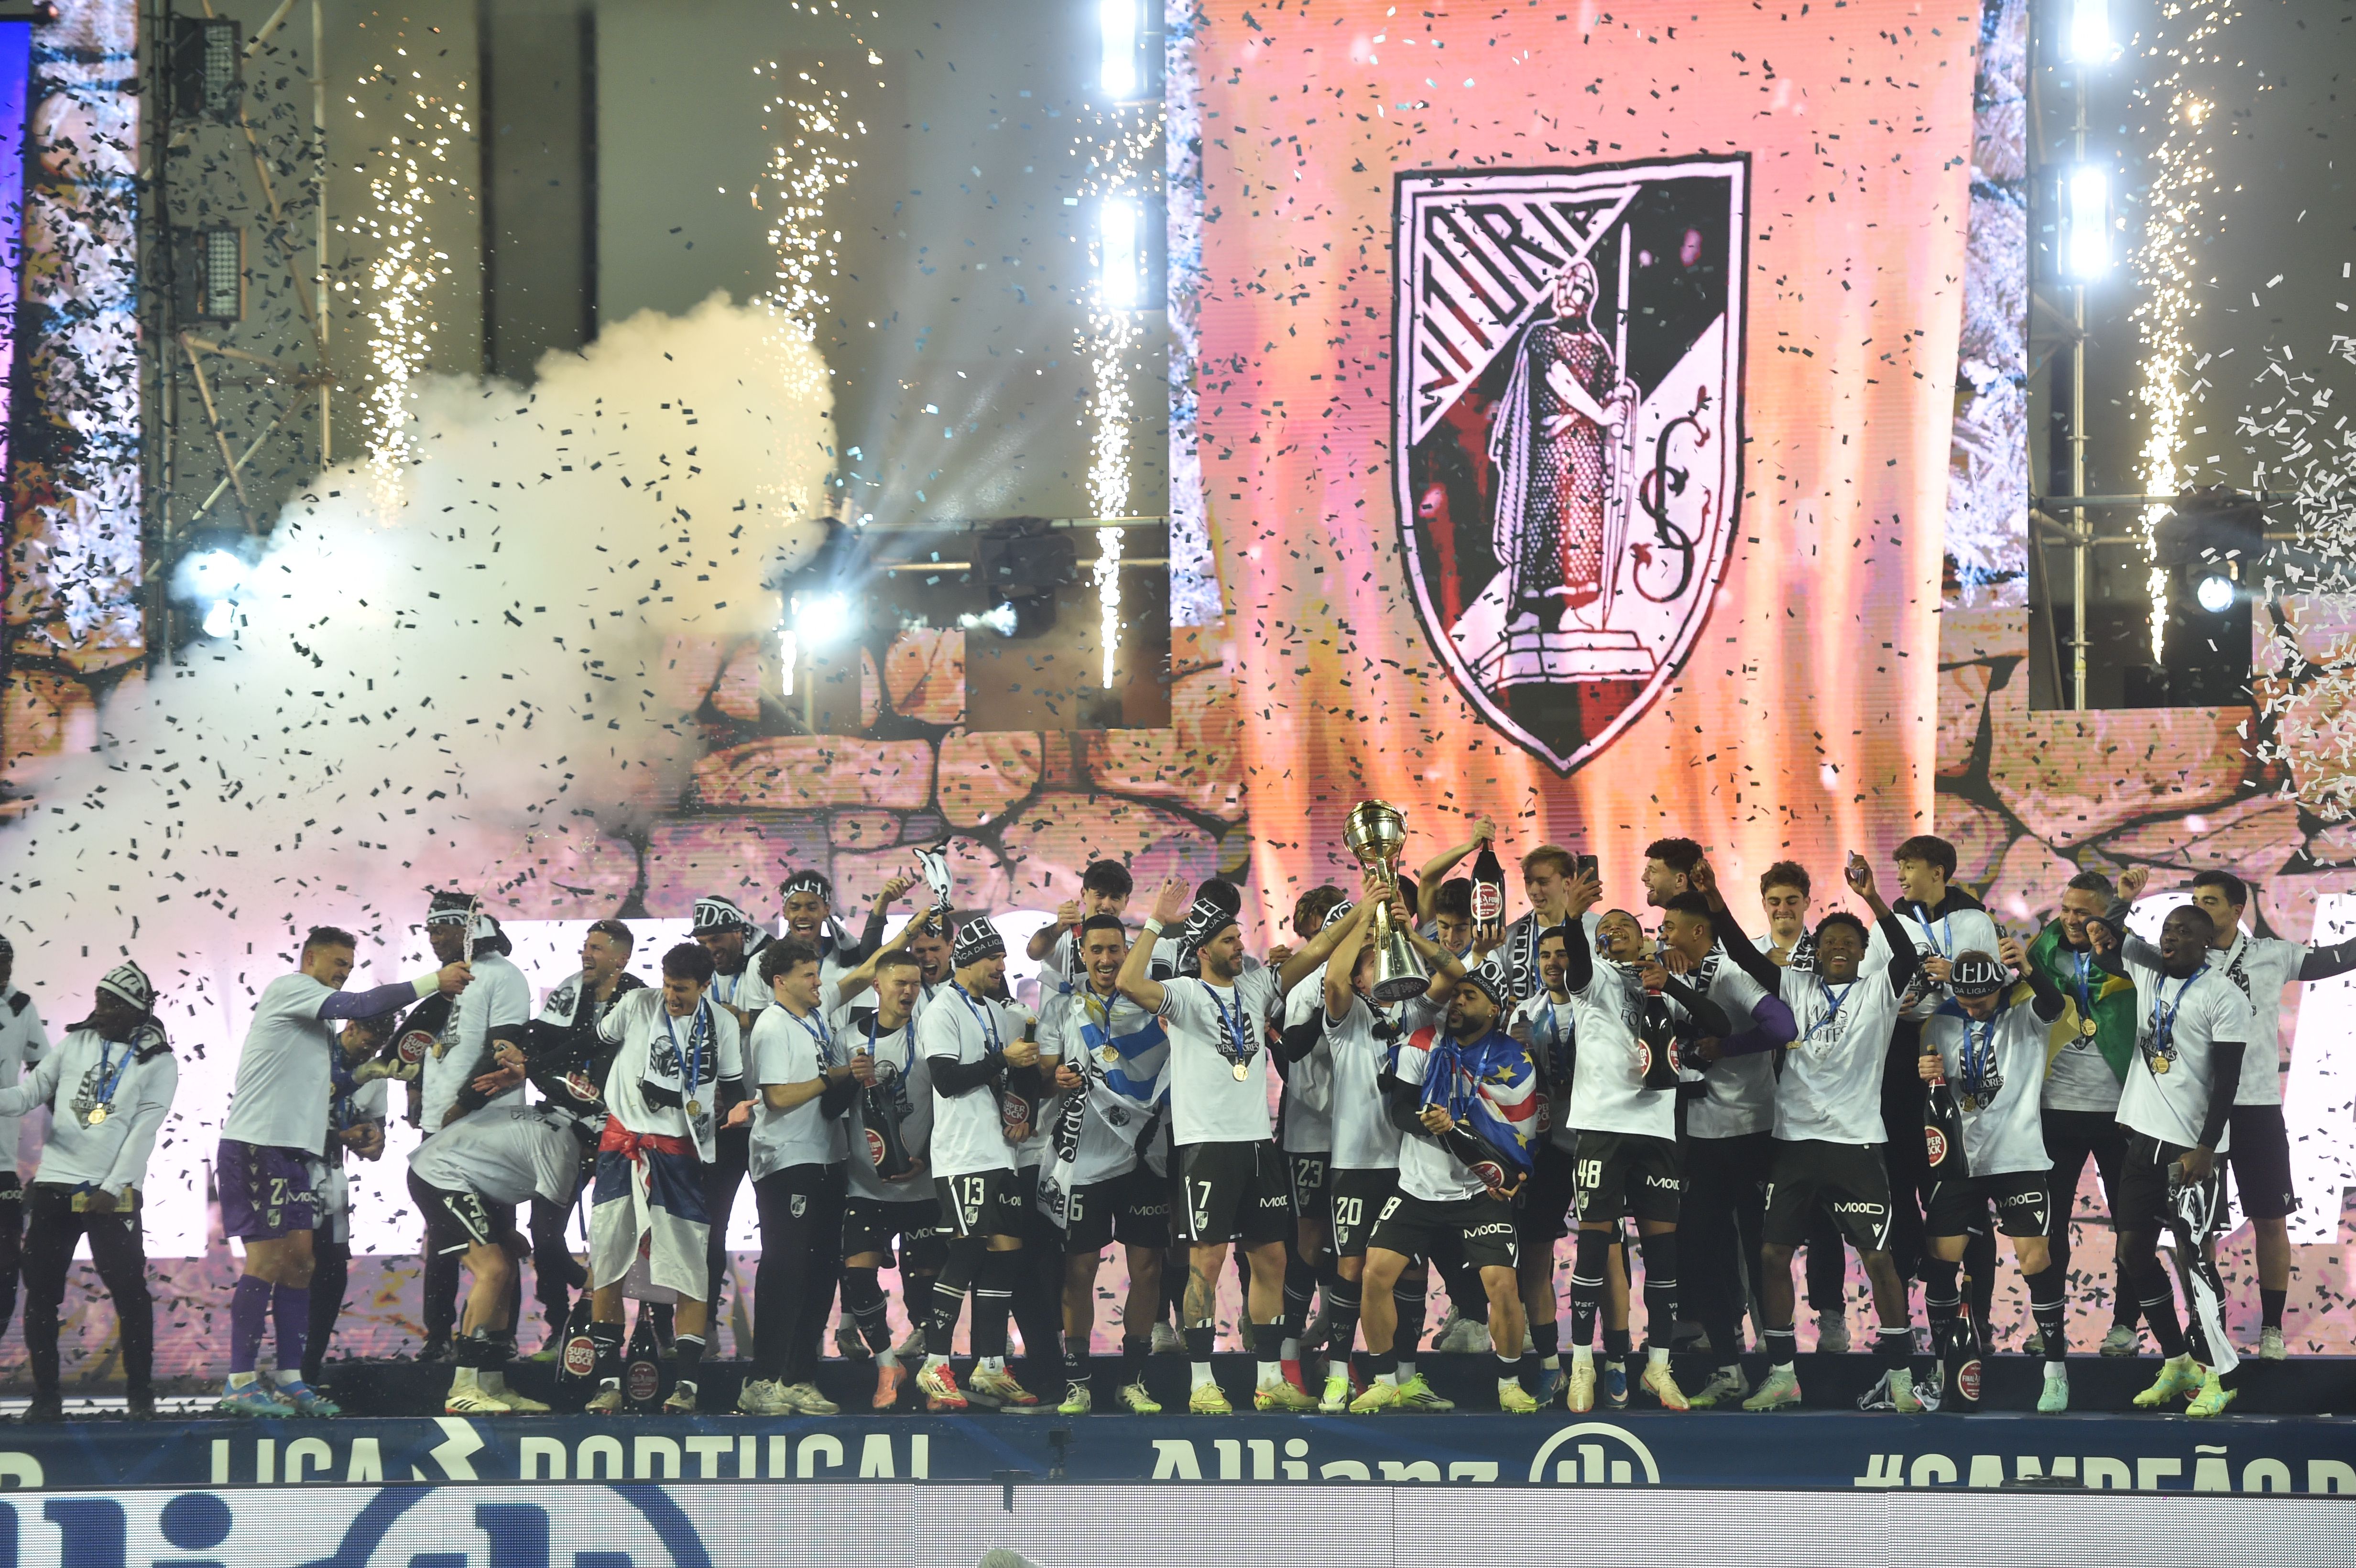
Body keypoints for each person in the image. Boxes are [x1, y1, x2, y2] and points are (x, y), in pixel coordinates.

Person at [1116, 875, 1359, 1413]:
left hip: (1256, 1144)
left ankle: (1269, 1379)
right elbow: (1130, 981)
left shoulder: (1254, 987)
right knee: (1205, 1263)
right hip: (1207, 1147)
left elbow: (1318, 949)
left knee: (1272, 1257)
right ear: (1203, 951)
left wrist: (1369, 907)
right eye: (1228, 940)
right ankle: (1202, 1381)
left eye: (1239, 938)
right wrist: (1156, 920)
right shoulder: (1183, 995)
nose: (1239, 946)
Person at [217, 926, 472, 1416]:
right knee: (266, 1263)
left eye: (349, 968)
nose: (343, 974)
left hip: (297, 1153)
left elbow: (327, 1086)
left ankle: (290, 1378)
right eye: (337, 963)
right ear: (310, 958)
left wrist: (368, 1073)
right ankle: (240, 1382)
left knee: (301, 1265)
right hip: (257, 1145)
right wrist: (433, 982)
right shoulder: (290, 989)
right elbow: (359, 1005)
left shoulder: (313, 1028)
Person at [2113, 866, 2356, 1359]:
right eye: (2195, 899)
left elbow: (2339, 957)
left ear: (2236, 909)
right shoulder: (2174, 958)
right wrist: (2120, 904)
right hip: (2193, 1117)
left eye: (2209, 901)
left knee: (2270, 1217)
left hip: (2255, 1106)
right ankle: (2208, 1332)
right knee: (2197, 1231)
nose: (2197, 907)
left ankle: (2271, 1330)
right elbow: (2112, 946)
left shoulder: (2272, 954)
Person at [1745, 855, 1923, 1412]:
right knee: (1771, 1254)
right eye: (1829, 942)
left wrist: (1871, 897)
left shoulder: (1878, 991)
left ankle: (1900, 1377)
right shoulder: (1793, 985)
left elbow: (1908, 956)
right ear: (1815, 951)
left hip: (1856, 1145)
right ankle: (1782, 1374)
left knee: (1879, 1259)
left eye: (1849, 941)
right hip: (1793, 1144)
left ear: (1864, 951)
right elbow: (1743, 955)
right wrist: (1712, 903)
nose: (1839, 947)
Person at [1552, 871, 1732, 1414]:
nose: (1614, 930)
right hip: (1602, 1127)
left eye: (1624, 925)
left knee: (1663, 1256)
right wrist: (1572, 918)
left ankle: (1657, 1366)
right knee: (1592, 1248)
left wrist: (1669, 984)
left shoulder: (1661, 981)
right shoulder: (1592, 980)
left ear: (1642, 937)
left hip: (1655, 1130)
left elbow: (1719, 1024)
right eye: (1605, 927)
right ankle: (1582, 1364)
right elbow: (1577, 961)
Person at [2091, 905, 2256, 1417]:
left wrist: (2206, 1148)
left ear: (2206, 942)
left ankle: (2223, 1374)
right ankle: (2178, 1360)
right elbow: (2105, 939)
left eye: (2184, 932)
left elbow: (2227, 1081)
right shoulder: (2147, 969)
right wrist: (2120, 902)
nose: (2171, 938)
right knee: (2132, 1254)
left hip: (2190, 1150)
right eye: (2167, 930)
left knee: (2195, 1261)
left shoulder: (2223, 996)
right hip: (2142, 1141)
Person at [1356, 967, 1541, 1413]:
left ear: (1493, 1010)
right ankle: (1385, 1382)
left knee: (1503, 1286)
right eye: (1455, 994)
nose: (1457, 1002)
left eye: (1470, 996)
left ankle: (1510, 1383)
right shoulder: (1423, 1042)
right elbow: (1399, 1109)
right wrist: (1429, 1124)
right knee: (1374, 1275)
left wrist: (1510, 1177)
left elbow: (1522, 1134)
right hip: (1417, 1187)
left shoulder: (1513, 1059)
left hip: (1477, 1192)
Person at [0, 963, 175, 1421]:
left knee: (130, 1292)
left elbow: (144, 1132)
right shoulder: (76, 1043)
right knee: (41, 1295)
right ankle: (46, 1399)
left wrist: (113, 1187)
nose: (102, 1011)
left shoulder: (158, 1060)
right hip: (56, 1184)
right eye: (99, 1001)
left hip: (110, 1194)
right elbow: (29, 1094)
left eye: (113, 1005)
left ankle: (140, 1396)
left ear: (137, 1011)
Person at [582, 941, 746, 1416]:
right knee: (608, 1261)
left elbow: (732, 1087)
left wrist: (736, 1110)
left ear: (705, 985)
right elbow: (593, 1043)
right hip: (621, 1146)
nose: (672, 997)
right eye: (669, 986)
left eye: (683, 990)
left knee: (689, 1268)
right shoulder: (638, 1004)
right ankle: (607, 1384)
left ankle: (687, 1387)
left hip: (679, 1153)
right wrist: (536, 1063)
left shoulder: (722, 1024)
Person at [1664, 865, 1797, 1407]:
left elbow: (1783, 1028)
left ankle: (1780, 1367)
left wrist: (1728, 1047)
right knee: (1703, 1251)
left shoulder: (1730, 973)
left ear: (1699, 932)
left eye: (1671, 927)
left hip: (1751, 1128)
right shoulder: (1665, 975)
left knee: (1761, 1250)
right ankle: (1727, 1366)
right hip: (1698, 1134)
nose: (1663, 935)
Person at [1918, 944, 2072, 1411]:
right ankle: (1942, 1365)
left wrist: (2028, 968)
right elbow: (1938, 1095)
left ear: (1999, 989)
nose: (1972, 1009)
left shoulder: (2026, 1015)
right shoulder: (1941, 1021)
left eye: (1980, 1001)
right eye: (1964, 1001)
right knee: (1940, 1263)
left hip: (2018, 1157)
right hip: (1960, 1160)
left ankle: (2055, 1370)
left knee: (2035, 1261)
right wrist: (1928, 1073)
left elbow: (2055, 1004)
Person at [1321, 900, 1458, 1413]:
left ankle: (1405, 1376)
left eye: (1385, 957)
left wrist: (1410, 934)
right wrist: (1363, 920)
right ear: (1360, 979)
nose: (1382, 964)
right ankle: (1339, 1376)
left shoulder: (1414, 1011)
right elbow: (1331, 980)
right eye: (1371, 961)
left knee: (1411, 1272)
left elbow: (1453, 973)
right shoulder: (1345, 1016)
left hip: (1410, 1165)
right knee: (1352, 1266)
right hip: (1356, 1162)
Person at [913, 918, 1050, 1412]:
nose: (1002, 965)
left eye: (1003, 957)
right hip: (962, 1154)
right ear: (968, 960)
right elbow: (946, 1080)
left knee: (1006, 1253)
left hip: (1001, 1152)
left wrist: (1025, 1112)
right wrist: (1002, 1059)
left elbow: (1022, 1072)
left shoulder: (999, 1012)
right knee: (967, 1251)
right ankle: (934, 1364)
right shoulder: (940, 1011)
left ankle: (990, 1365)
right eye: (994, 957)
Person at [1038, 914, 1172, 1414]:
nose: (1106, 959)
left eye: (1115, 949)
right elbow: (1042, 1079)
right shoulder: (1061, 1007)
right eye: (1096, 950)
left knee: (1147, 1268)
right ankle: (1078, 1382)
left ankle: (1132, 1381)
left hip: (1144, 1154)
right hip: (1085, 1159)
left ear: (1127, 952)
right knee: (1080, 1269)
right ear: (1082, 954)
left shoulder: (1153, 1004)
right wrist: (1056, 1079)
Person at [411, 1095, 595, 1415]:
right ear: (593, 1148)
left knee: (506, 1270)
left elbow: (496, 1164)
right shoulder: (564, 1153)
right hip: (440, 1174)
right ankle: (463, 1387)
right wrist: (588, 1281)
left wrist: (505, 1229)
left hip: (466, 1175)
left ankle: (492, 1383)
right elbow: (548, 1241)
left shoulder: (560, 1129)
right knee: (493, 1270)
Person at [738, 937, 860, 1416]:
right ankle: (760, 1379)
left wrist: (905, 930)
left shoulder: (814, 1013)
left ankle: (798, 1377)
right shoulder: (772, 1026)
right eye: (808, 975)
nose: (818, 982)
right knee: (786, 1268)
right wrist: (833, 1077)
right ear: (780, 981)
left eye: (817, 973)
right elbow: (777, 1098)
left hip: (828, 1154)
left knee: (821, 1270)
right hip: (786, 1160)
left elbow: (860, 975)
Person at [2025, 872, 2143, 1358]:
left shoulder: (2131, 954)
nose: (2072, 919)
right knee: (2049, 1226)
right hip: (2054, 1111)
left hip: (2120, 1111)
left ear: (2106, 913)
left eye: (2084, 912)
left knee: (2130, 1225)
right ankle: (2048, 1326)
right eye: (2067, 909)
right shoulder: (2039, 953)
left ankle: (2125, 1325)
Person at [1488, 253, 1636, 632]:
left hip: (1586, 456)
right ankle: (1531, 608)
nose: (1570, 292)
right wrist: (1601, 414)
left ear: (1590, 298)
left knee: (1582, 528)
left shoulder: (1598, 347)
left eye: (1580, 287)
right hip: (1549, 452)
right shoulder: (1542, 337)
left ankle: (1574, 606)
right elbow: (1560, 379)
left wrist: (1620, 403)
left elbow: (1606, 395)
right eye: (1565, 283)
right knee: (1544, 525)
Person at [518, 919, 644, 1354]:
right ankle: (559, 1325)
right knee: (544, 1233)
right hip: (564, 1129)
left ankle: (644, 1331)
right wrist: (572, 1095)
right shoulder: (570, 990)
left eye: (596, 948)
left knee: (628, 1239)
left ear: (621, 958)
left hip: (619, 1135)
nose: (586, 954)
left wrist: (607, 1111)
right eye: (585, 947)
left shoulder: (639, 999)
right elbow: (539, 1054)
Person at [417, 893, 533, 1361]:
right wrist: (418, 1096)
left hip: (488, 1128)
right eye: (428, 930)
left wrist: (463, 1104)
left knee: (499, 1235)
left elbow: (503, 1049)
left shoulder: (504, 976)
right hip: (440, 1126)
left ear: (465, 930)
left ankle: (498, 1338)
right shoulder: (445, 982)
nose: (432, 938)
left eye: (440, 929)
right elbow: (430, 1045)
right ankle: (438, 1336)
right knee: (443, 1234)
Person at [1753, 860, 1856, 1357]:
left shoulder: (1827, 956)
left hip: (1821, 1108)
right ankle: (1767, 1327)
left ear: (1806, 903)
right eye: (1774, 901)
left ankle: (1831, 1317)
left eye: (1791, 901)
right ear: (1763, 905)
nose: (1782, 909)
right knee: (1766, 1229)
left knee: (1824, 1222)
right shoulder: (1749, 955)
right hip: (1759, 1108)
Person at [835, 947, 944, 1410]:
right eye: (900, 983)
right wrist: (848, 1078)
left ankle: (935, 1378)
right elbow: (831, 1110)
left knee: (928, 1292)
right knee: (857, 1277)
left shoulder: (933, 1034)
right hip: (867, 1185)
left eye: (916, 984)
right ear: (877, 986)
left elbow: (950, 1104)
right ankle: (887, 1365)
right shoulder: (849, 1039)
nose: (909, 991)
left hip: (924, 1184)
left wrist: (927, 1158)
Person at [691, 893, 779, 1359]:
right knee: (708, 1227)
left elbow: (801, 1012)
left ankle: (778, 1338)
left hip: (772, 1119)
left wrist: (740, 1018)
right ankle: (702, 1328)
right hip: (721, 1125)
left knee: (779, 1233)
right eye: (703, 941)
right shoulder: (697, 976)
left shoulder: (769, 962)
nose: (711, 948)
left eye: (718, 938)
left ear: (740, 932)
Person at [1274, 885, 1349, 1395]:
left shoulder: (1372, 978)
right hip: (1313, 1137)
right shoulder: (1305, 986)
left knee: (1351, 1247)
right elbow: (1299, 1071)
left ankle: (1339, 1354)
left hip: (1360, 1140)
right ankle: (1286, 1355)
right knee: (1308, 1241)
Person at [1505, 923, 1580, 1407]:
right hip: (1548, 1148)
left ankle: (1611, 1364)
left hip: (1595, 1144)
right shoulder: (1524, 1013)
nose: (1554, 962)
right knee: (1534, 1256)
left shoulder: (1596, 1005)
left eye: (1563, 954)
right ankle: (1552, 1366)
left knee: (1607, 1256)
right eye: (1546, 955)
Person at [304, 1009, 393, 1388]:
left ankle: (307, 1372)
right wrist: (340, 1137)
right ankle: (277, 1372)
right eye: (366, 1045)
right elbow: (287, 1123)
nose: (369, 1055)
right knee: (291, 1271)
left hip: (333, 1182)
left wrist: (372, 1139)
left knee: (332, 1275)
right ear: (351, 1028)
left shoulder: (375, 1072)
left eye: (377, 1048)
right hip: (290, 1175)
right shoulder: (310, 1055)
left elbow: (376, 1134)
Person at [0, 935, 50, 1351]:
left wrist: (81, 1130)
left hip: (3, 1164)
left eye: (8, 964)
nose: (5, 973)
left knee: (5, 1272)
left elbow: (45, 1074)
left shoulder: (20, 1006)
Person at [1025, 859, 1137, 984]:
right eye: (1100, 895)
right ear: (1084, 894)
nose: (1106, 905)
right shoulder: (1061, 933)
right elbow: (1033, 953)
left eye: (1115, 898)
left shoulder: (1132, 948)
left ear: (1126, 902)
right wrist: (1057, 929)